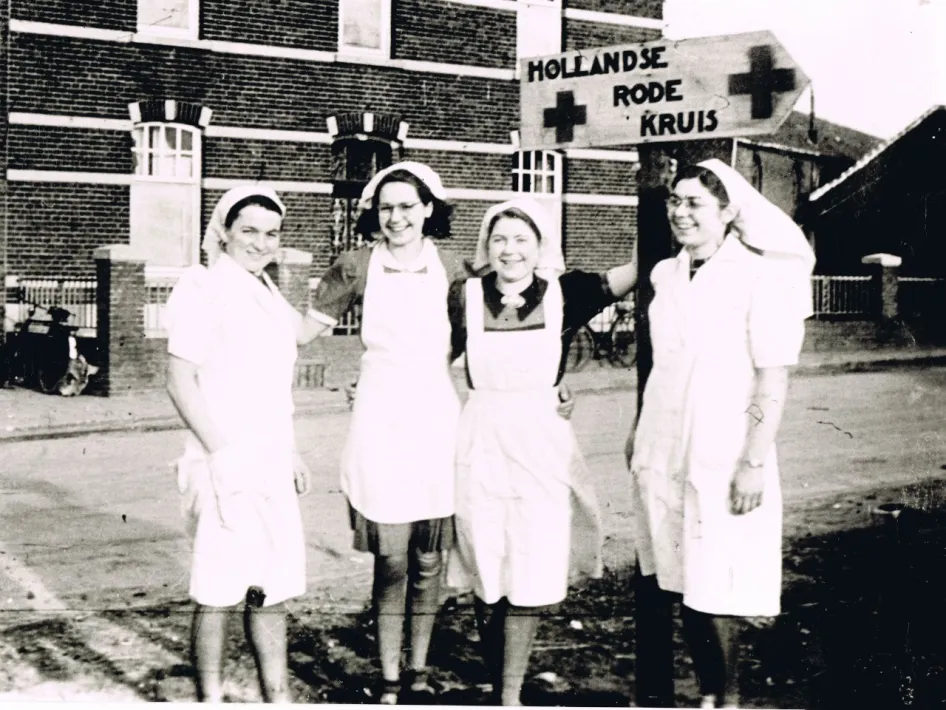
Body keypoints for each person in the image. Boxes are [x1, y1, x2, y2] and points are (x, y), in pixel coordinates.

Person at [628, 159, 816, 709]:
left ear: (728, 212)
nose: (681, 213)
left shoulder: (758, 276)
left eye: (695, 204)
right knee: (679, 572)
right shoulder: (665, 274)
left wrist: (753, 460)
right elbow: (664, 366)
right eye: (675, 202)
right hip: (665, 443)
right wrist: (641, 431)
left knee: (719, 581)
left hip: (724, 447)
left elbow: (771, 377)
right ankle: (709, 692)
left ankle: (725, 697)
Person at [445, 197, 638, 706]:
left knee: (529, 561)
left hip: (539, 439)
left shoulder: (565, 293)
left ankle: (509, 695)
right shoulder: (462, 295)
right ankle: (497, 674)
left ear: (540, 246)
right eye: (500, 239)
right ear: (487, 246)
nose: (510, 250)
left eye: (521, 239)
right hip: (481, 435)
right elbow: (427, 359)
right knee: (484, 558)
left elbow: (634, 272)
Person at [307, 162, 471, 704]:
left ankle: (418, 669)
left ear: (429, 209)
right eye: (386, 207)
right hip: (380, 417)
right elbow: (303, 332)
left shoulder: (455, 271)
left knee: (429, 558)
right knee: (393, 558)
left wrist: (552, 384)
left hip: (435, 418)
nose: (396, 217)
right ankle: (388, 675)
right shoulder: (356, 265)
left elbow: (496, 343)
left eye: (407, 206)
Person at [165, 185, 318, 703]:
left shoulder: (267, 290)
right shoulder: (201, 287)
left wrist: (289, 449)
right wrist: (222, 453)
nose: (260, 243)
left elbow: (273, 385)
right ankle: (210, 699)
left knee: (269, 587)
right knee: (218, 591)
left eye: (271, 234)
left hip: (269, 459)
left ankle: (276, 695)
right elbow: (180, 380)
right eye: (248, 231)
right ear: (224, 232)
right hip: (220, 459)